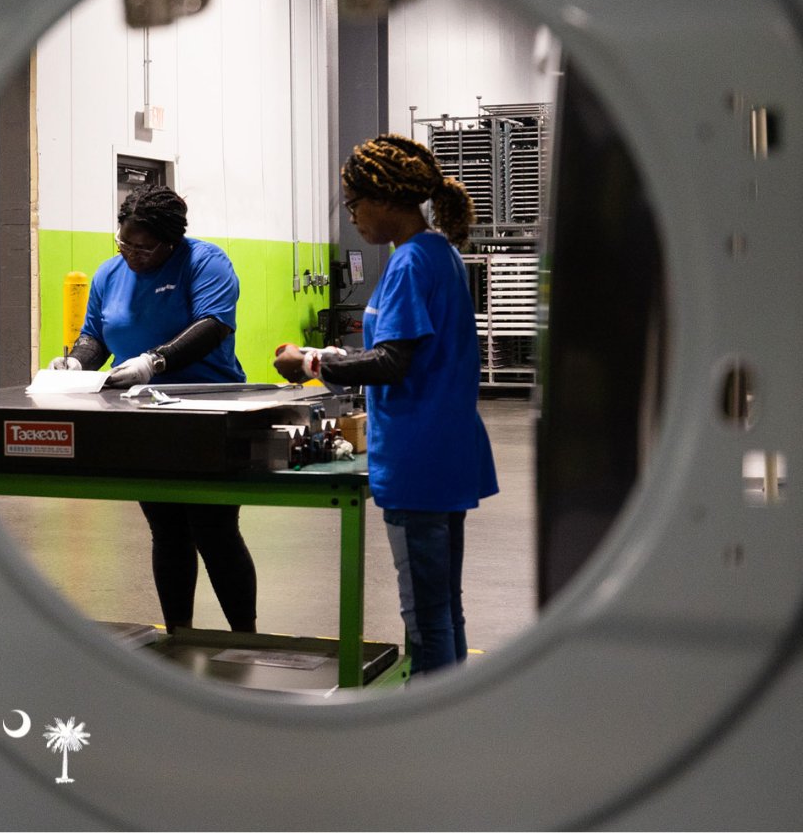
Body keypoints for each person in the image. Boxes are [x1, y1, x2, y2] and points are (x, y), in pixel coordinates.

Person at [274, 134, 498, 677]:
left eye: (353, 205)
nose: (352, 218)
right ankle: (449, 709)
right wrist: (333, 354)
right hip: (448, 447)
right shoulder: (438, 252)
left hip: (418, 455)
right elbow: (406, 351)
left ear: (383, 199)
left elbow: (393, 362)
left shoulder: (408, 264)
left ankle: (425, 723)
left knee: (424, 613)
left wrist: (310, 365)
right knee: (444, 604)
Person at [52, 184, 257, 634]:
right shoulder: (109, 273)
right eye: (124, 242)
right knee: (167, 531)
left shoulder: (205, 262)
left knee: (214, 532)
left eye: (144, 248)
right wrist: (75, 362)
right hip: (144, 419)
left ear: (171, 241)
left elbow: (213, 324)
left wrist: (154, 361)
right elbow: (96, 337)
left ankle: (246, 638)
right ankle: (178, 636)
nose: (132, 254)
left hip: (206, 414)